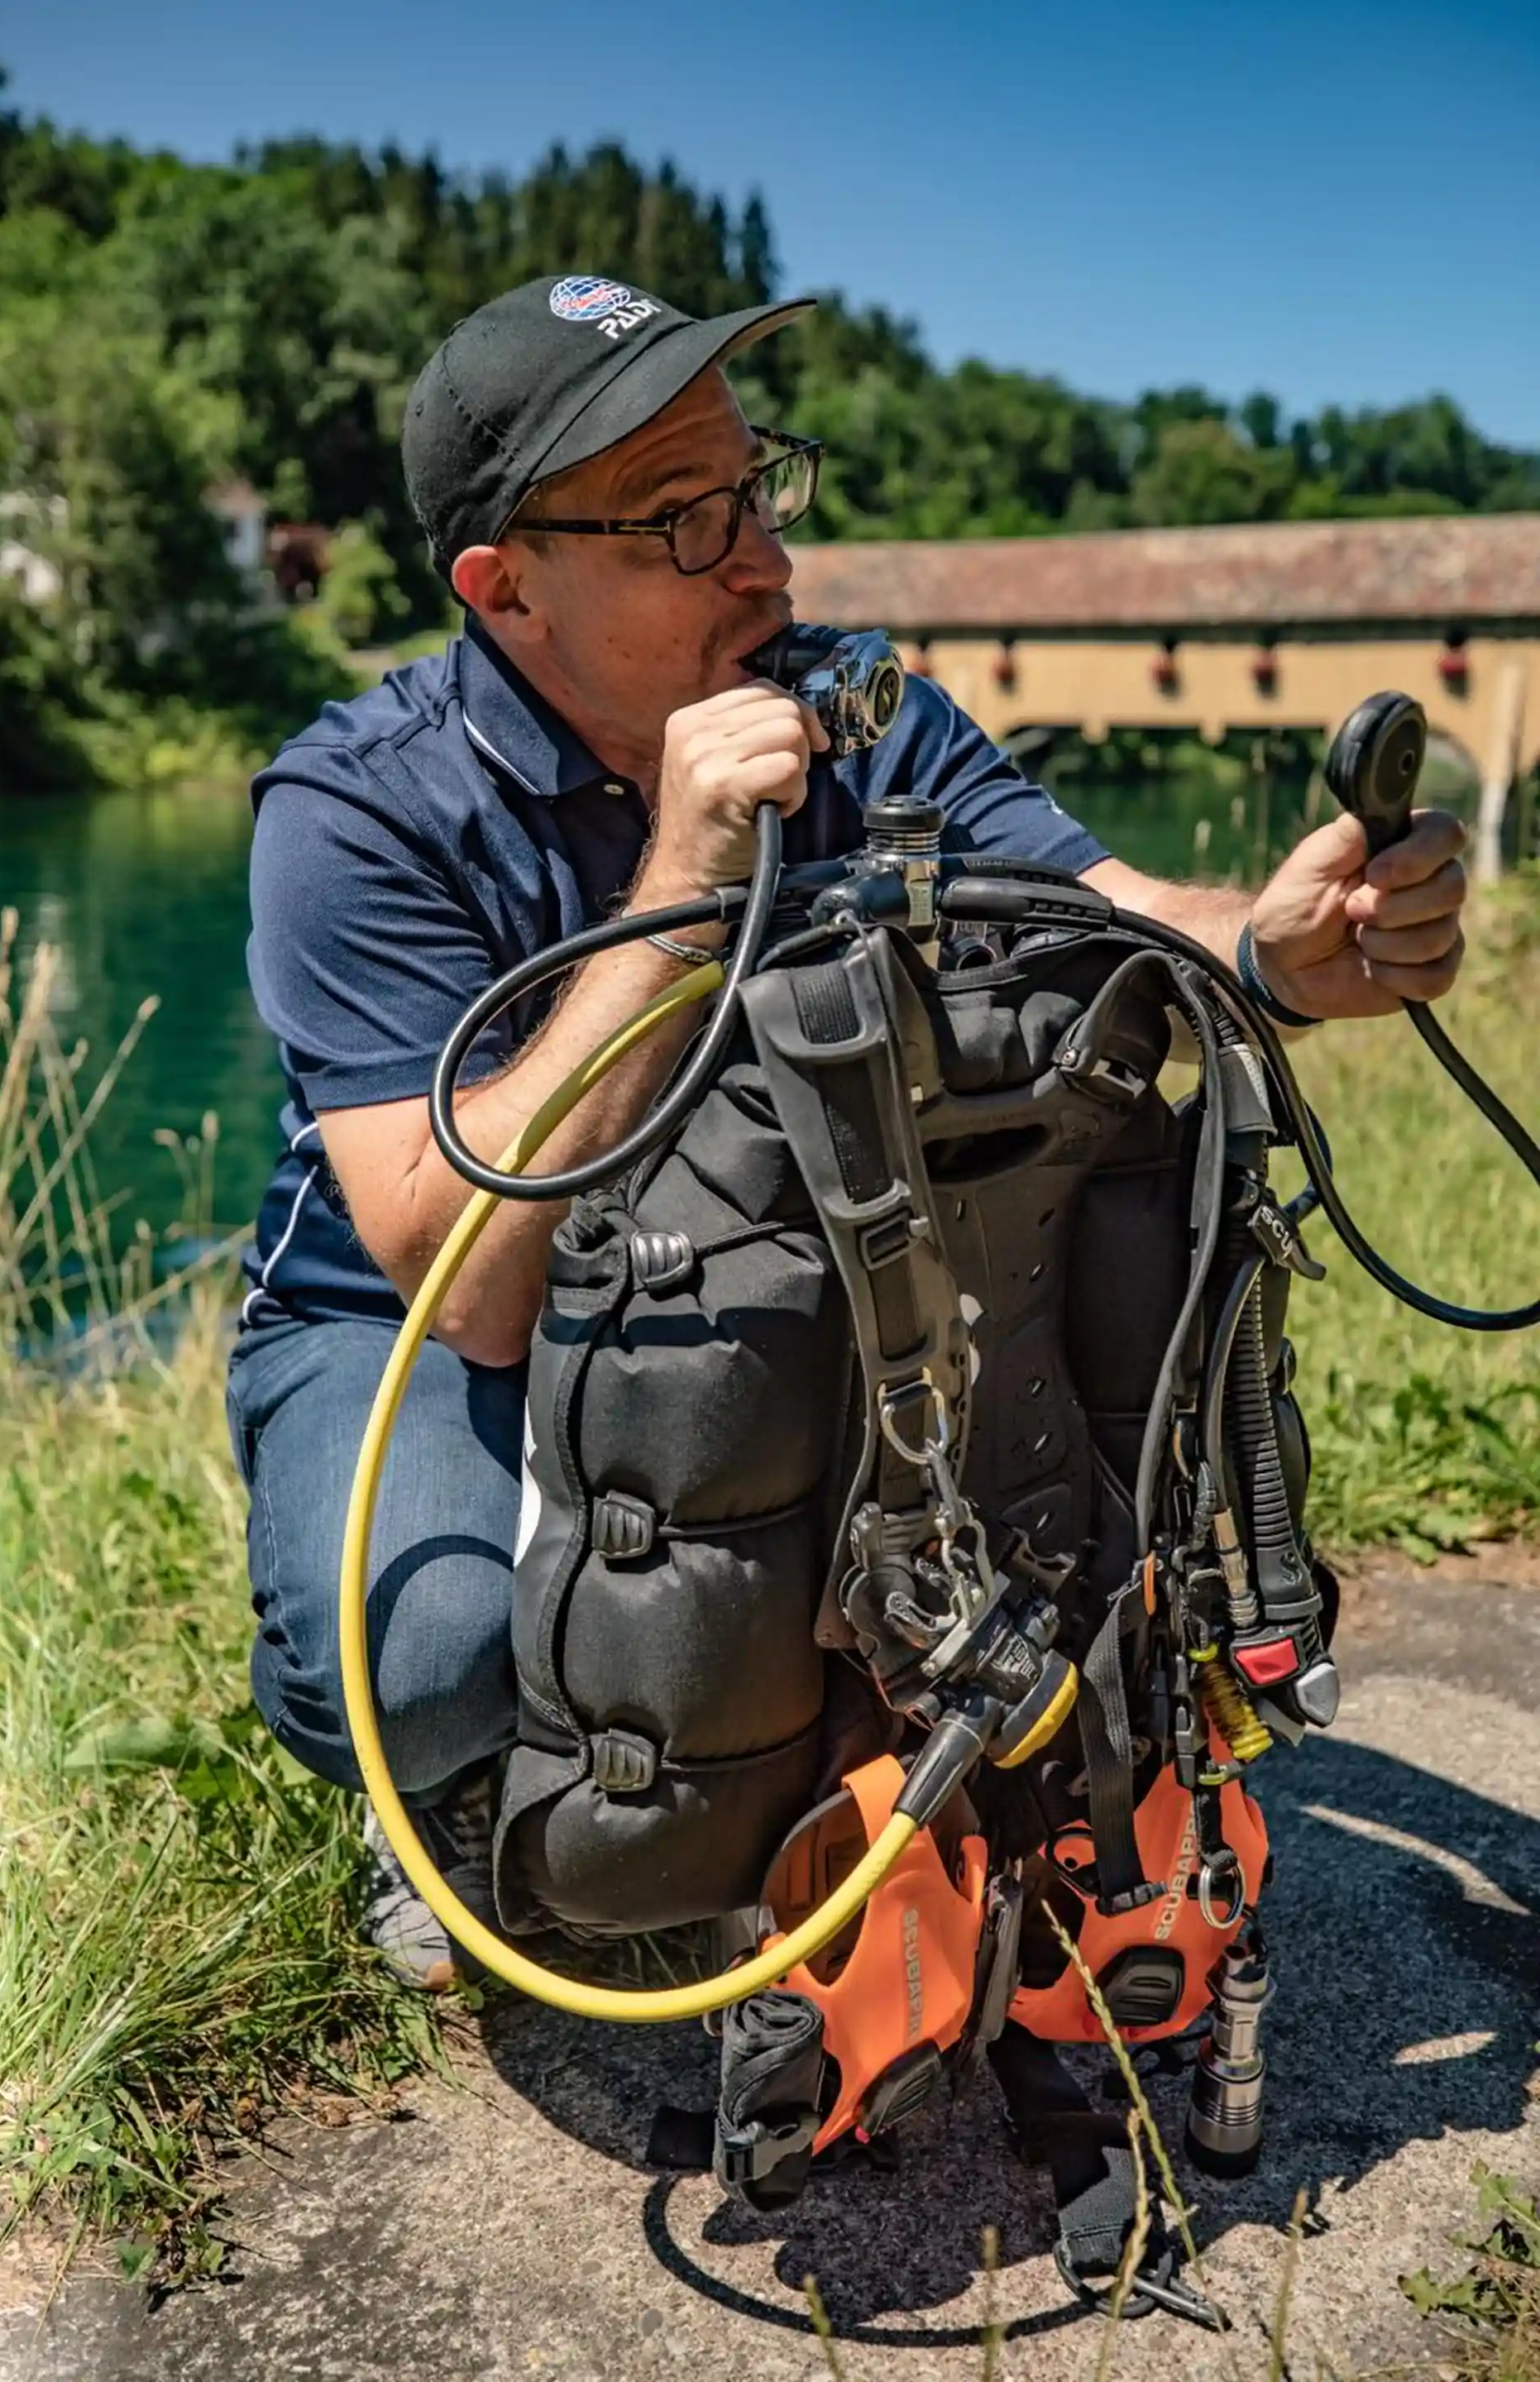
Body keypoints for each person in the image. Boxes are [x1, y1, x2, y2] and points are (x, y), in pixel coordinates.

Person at [231, 275, 1470, 1987]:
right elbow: (479, 1291)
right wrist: (681, 881)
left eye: (760, 490)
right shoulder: (355, 811)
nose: (769, 564)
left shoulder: (856, 705)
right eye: (683, 523)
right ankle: (437, 1801)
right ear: (505, 588)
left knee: (926, 1589)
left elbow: (1110, 907)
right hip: (413, 1316)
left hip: (756, 1269)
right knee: (434, 1656)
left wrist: (1277, 954)